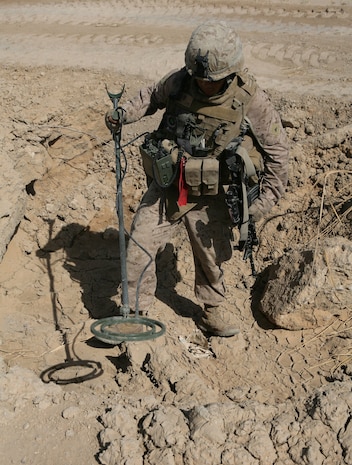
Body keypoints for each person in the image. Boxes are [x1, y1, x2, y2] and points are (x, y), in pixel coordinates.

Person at [105, 20, 289, 337]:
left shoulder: (251, 100)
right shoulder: (181, 81)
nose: (203, 84)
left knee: (211, 261)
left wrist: (263, 204)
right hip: (171, 184)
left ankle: (211, 313)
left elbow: (278, 153)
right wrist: (124, 113)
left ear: (230, 74)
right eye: (199, 78)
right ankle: (134, 313)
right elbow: (151, 96)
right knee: (139, 246)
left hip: (214, 194)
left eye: (211, 81)